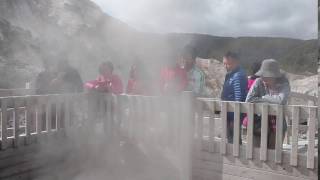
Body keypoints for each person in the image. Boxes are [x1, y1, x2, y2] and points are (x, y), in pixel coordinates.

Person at [245, 59, 289, 149]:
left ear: (275, 76)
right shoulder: (258, 81)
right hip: (258, 125)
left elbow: (281, 101)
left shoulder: (284, 84)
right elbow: (249, 100)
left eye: (267, 76)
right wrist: (270, 99)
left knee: (274, 157)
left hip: (277, 126)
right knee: (256, 153)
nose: (263, 78)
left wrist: (264, 98)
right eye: (262, 75)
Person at [221, 51, 247, 143]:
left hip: (234, 113)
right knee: (230, 138)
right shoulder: (231, 74)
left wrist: (236, 115)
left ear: (236, 62)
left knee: (234, 139)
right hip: (229, 112)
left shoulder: (238, 75)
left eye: (228, 64)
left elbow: (238, 97)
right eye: (224, 63)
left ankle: (235, 157)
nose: (225, 66)